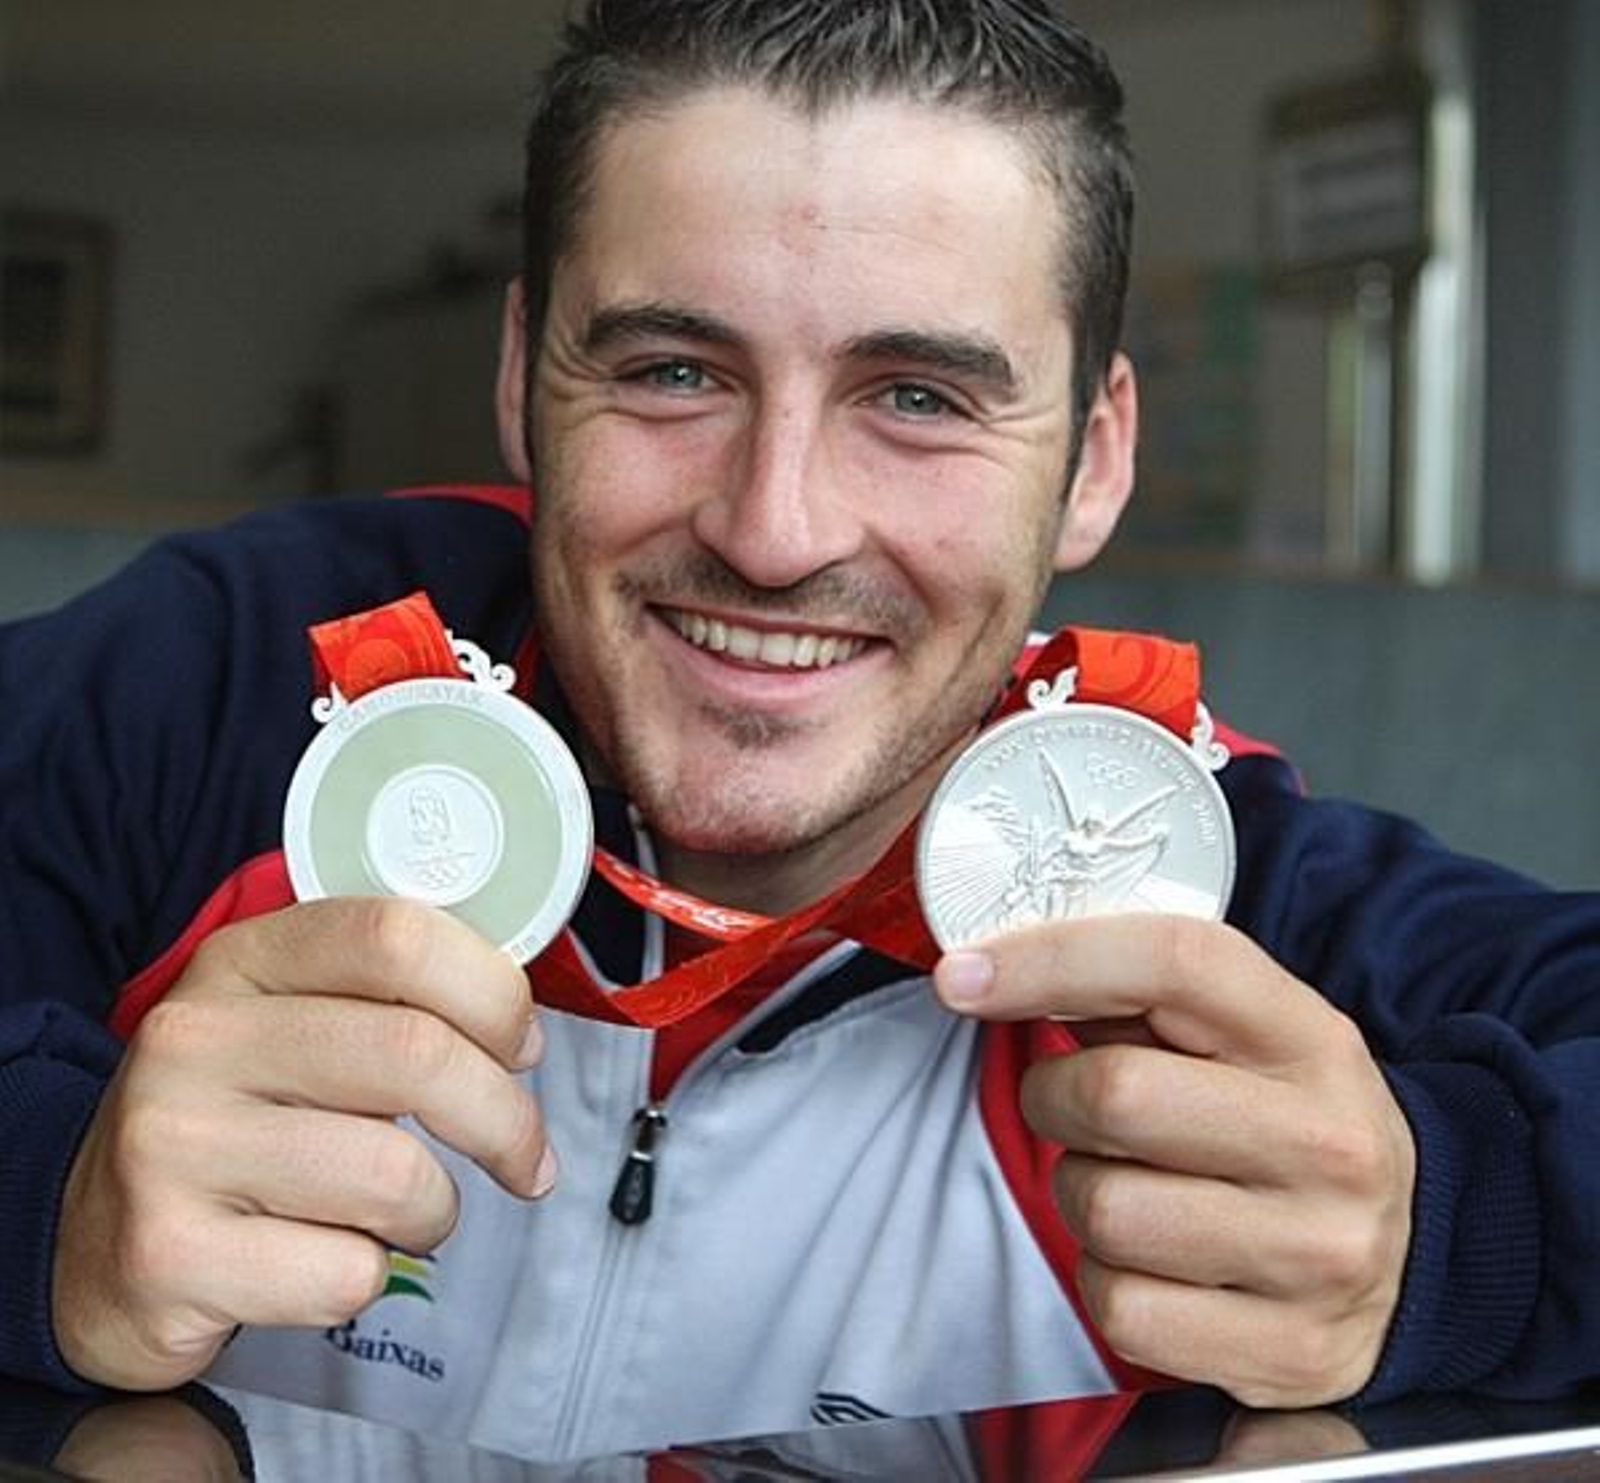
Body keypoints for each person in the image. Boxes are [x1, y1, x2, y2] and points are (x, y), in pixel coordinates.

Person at [2, 0, 1598, 1463]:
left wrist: (1453, 1228)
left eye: (918, 397)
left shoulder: (1215, 906)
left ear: (1096, 460)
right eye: (674, 369)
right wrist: (45, 1203)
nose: (775, 530)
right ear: (520, 378)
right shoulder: (228, 686)